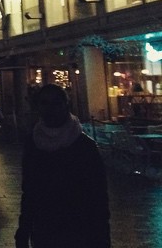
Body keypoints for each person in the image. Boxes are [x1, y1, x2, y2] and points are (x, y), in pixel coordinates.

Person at [15, 83, 111, 248]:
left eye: (56, 103)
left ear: (66, 105)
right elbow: (29, 189)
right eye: (44, 103)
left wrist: (101, 237)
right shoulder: (33, 144)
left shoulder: (84, 146)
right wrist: (24, 228)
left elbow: (98, 195)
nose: (50, 109)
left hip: (80, 230)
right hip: (45, 229)